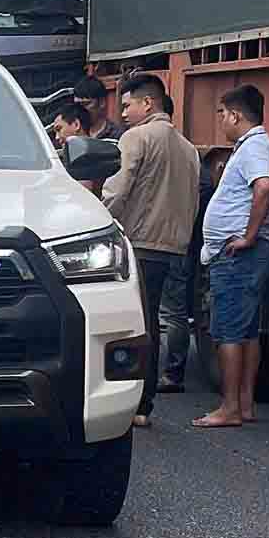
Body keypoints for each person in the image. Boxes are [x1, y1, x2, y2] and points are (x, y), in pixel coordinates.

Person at [100, 73, 201, 428]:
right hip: (175, 246)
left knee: (136, 324)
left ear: (148, 103)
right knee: (163, 317)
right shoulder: (189, 149)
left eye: (127, 105)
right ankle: (147, 399)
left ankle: (138, 401)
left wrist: (98, 219)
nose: (123, 113)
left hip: (140, 242)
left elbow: (117, 189)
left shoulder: (135, 138)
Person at [193, 84, 269, 429]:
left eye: (222, 114)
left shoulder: (254, 146)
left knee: (228, 329)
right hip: (242, 252)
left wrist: (249, 236)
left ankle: (229, 407)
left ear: (235, 115)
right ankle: (244, 403)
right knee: (246, 330)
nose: (221, 121)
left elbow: (264, 185)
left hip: (238, 254)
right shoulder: (253, 146)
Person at [157, 160, 217, 394]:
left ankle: (154, 373)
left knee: (159, 310)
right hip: (179, 239)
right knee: (174, 312)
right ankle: (173, 373)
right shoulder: (188, 153)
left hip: (155, 240)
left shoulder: (139, 146)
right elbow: (205, 187)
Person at [50, 102, 100, 194]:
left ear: (76, 124)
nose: (57, 137)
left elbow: (82, 192)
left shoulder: (87, 155)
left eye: (59, 129)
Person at [74, 75, 121, 141]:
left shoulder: (117, 135)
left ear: (102, 102)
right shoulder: (73, 134)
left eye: (86, 104)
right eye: (77, 105)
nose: (80, 109)